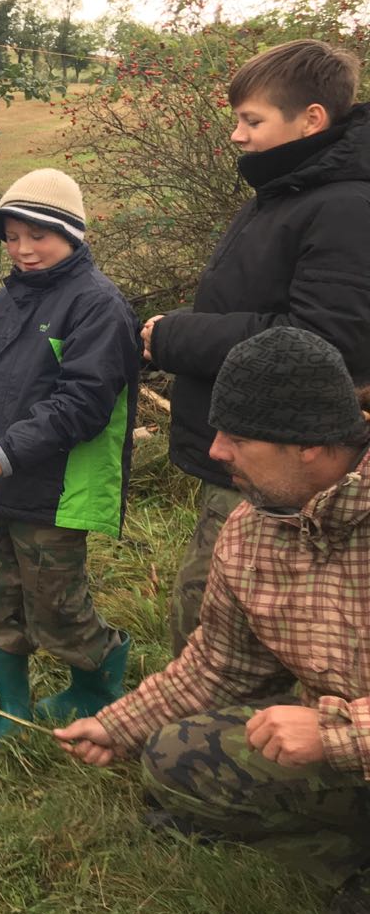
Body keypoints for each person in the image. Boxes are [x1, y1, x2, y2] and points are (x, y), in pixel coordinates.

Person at [57, 327, 370, 914]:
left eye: (238, 436)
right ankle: (347, 852)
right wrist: (116, 725)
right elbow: (218, 666)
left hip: (343, 732)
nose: (218, 450)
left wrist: (337, 735)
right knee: (176, 757)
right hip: (336, 738)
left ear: (309, 444)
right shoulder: (252, 530)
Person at [141, 40, 370, 658]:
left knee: (218, 626)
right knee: (211, 610)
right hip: (248, 449)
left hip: (283, 460)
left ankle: (213, 746)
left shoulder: (343, 209)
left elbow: (324, 344)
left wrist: (176, 337)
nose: (238, 136)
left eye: (253, 120)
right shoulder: (286, 193)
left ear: (312, 119)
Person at [0, 169, 138, 743]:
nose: (24, 249)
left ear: (73, 234)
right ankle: (13, 708)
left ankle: (98, 687)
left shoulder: (98, 305)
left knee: (57, 609)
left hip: (55, 488)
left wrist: (7, 451)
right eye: (12, 237)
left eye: (39, 235)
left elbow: (83, 402)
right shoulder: (13, 294)